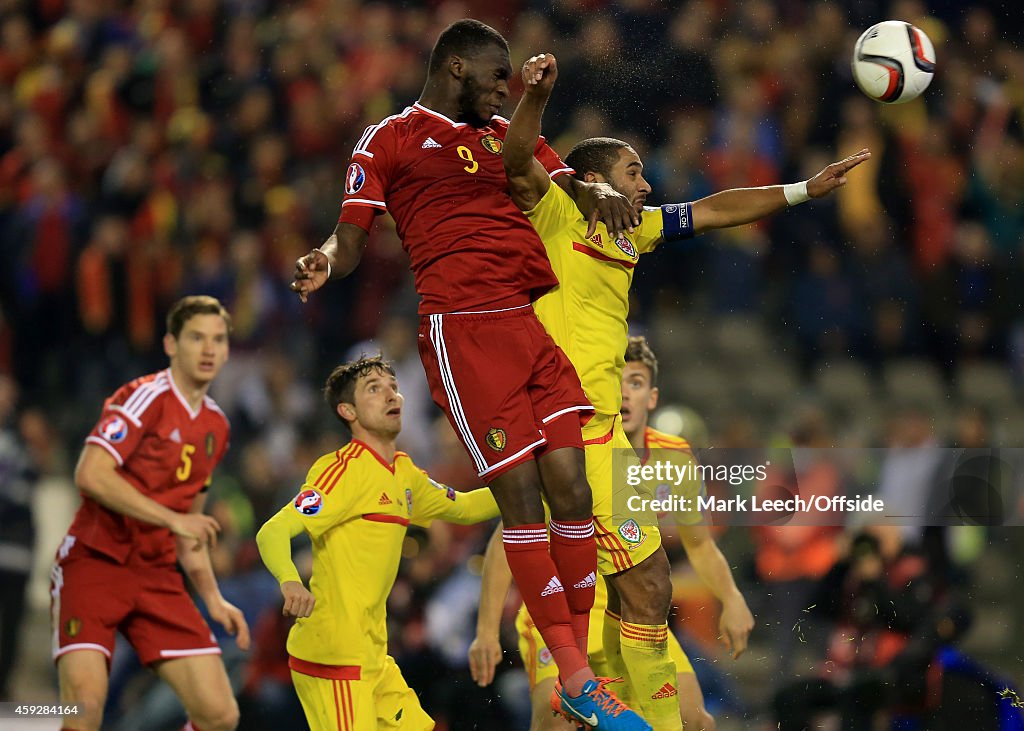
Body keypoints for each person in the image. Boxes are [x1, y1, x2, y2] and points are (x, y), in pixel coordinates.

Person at [492, 52, 868, 729]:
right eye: (634, 170)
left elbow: (715, 209)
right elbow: (518, 158)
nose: (646, 181)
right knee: (608, 599)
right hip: (560, 430)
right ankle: (587, 693)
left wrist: (802, 191)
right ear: (594, 178)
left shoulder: (636, 230)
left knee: (649, 586)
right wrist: (536, 97)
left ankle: (643, 718)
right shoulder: (557, 214)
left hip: (604, 438)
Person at [289, 19, 647, 729]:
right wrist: (326, 258)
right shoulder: (387, 138)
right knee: (520, 497)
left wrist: (598, 194)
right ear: (456, 67)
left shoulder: (500, 135)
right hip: (462, 329)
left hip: (527, 320)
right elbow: (352, 232)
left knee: (570, 489)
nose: (502, 90)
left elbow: (563, 177)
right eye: (495, 78)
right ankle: (574, 672)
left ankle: (574, 675)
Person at [471, 337, 754, 730]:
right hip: (566, 618)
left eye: (635, 382)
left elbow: (700, 544)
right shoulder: (564, 453)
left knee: (695, 721)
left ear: (652, 398)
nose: (623, 392)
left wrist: (732, 597)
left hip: (635, 619)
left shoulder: (674, 456)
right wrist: (485, 631)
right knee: (554, 725)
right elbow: (511, 538)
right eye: (615, 380)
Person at [255, 355, 502, 730]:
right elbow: (271, 531)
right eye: (374, 389)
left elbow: (466, 507)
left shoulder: (405, 473)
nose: (391, 395)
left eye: (393, 386)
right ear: (347, 411)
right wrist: (290, 580)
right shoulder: (341, 470)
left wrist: (533, 485)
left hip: (374, 658)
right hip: (334, 660)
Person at [52, 295, 248, 731]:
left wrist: (213, 597)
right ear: (170, 344)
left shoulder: (217, 426)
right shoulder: (145, 397)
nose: (209, 349)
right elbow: (90, 473)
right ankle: (24, 717)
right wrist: (170, 518)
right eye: (196, 337)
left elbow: (190, 529)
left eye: (218, 339)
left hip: (156, 575)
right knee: (82, 714)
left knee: (220, 715)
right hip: (95, 563)